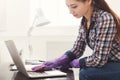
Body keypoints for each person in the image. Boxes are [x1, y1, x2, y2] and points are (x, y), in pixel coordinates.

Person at [32, 0, 120, 80]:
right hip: (109, 62)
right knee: (84, 69)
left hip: (117, 62)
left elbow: (99, 59)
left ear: (89, 1)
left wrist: (74, 63)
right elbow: (78, 48)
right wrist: (59, 60)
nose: (70, 11)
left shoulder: (105, 19)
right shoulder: (84, 21)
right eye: (68, 6)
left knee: (86, 73)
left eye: (74, 6)